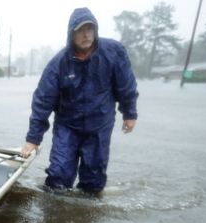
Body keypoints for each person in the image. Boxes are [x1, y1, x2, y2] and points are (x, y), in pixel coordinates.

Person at [20, 7, 138, 195]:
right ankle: (56, 212)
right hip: (67, 126)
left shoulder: (113, 52)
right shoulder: (58, 63)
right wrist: (33, 139)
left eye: (90, 29)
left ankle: (87, 213)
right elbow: (43, 100)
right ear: (71, 33)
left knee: (93, 181)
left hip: (100, 124)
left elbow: (126, 84)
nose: (86, 35)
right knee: (58, 177)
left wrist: (129, 113)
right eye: (81, 30)